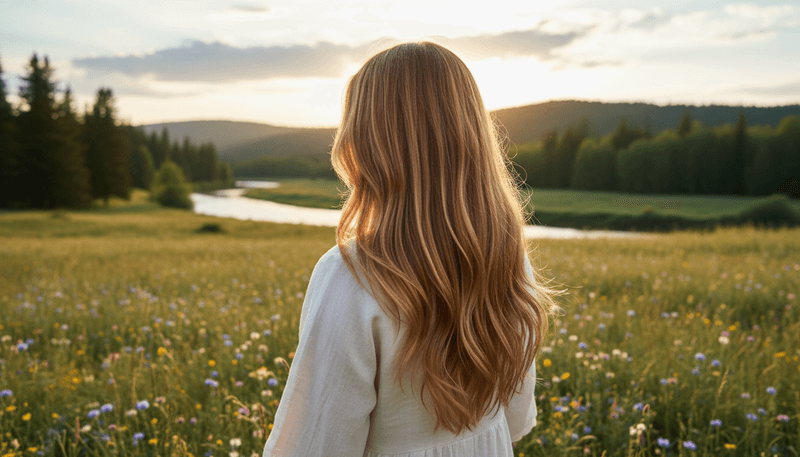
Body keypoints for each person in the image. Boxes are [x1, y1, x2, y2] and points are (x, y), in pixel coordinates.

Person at [262, 41, 559, 457]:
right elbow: (514, 418)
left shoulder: (352, 276)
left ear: (364, 142)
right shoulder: (508, 256)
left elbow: (314, 444)